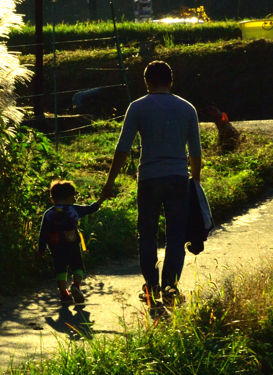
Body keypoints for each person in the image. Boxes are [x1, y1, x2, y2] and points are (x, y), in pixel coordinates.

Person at [100, 60, 202, 306]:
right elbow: (196, 152)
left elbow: (122, 148)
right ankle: (170, 287)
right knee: (176, 237)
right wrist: (195, 183)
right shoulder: (187, 108)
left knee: (147, 235)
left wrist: (110, 181)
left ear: (146, 81)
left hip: (148, 178)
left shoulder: (137, 107)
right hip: (178, 178)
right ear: (171, 80)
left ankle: (151, 287)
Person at [38, 179, 102, 306]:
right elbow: (91, 209)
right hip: (72, 243)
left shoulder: (48, 213)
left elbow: (43, 232)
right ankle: (76, 285)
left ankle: (64, 294)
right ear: (70, 197)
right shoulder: (74, 209)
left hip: (55, 246)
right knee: (78, 267)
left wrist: (41, 249)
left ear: (52, 198)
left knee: (60, 269)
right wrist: (102, 199)